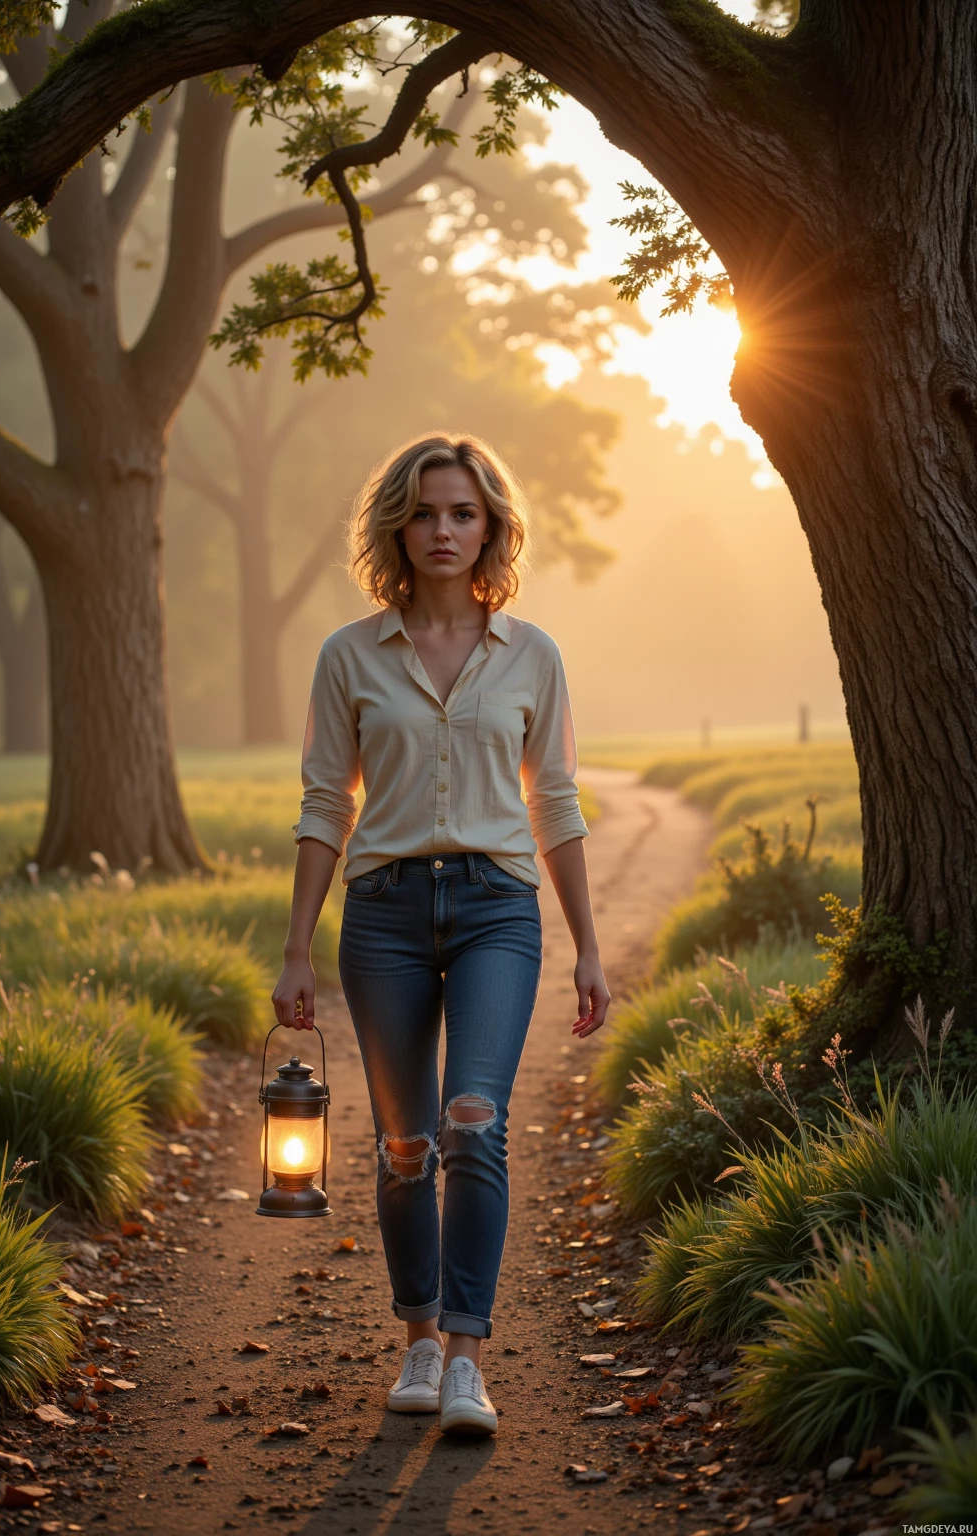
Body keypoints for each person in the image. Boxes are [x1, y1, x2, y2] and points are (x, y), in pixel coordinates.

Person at [272, 432, 610, 1436]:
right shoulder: (349, 655)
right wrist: (296, 945)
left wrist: (588, 945)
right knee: (405, 1144)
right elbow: (325, 802)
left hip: (496, 909)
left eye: (463, 512)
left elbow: (554, 802)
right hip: (380, 915)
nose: (444, 531)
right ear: (396, 527)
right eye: (424, 513)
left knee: (474, 1120)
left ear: (492, 526)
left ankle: (468, 1355)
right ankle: (417, 1341)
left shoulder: (532, 655)